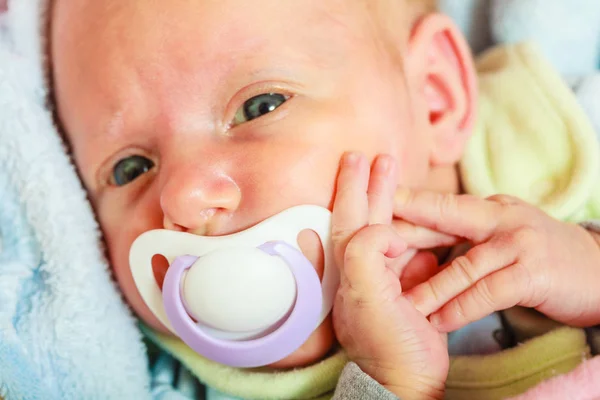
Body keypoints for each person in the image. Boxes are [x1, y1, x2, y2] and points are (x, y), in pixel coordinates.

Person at [48, 0, 600, 398]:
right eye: (130, 168)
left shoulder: (571, 137)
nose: (186, 198)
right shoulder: (159, 384)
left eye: (260, 106)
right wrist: (389, 387)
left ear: (434, 98)